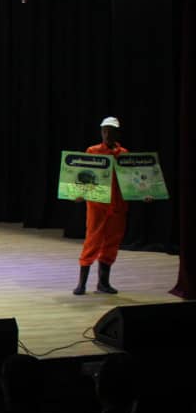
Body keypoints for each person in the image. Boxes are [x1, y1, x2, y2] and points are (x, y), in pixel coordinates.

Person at [74, 116, 128, 295]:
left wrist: (144, 194)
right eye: (104, 131)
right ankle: (81, 284)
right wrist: (78, 193)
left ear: (117, 133)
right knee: (92, 241)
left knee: (112, 242)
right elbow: (83, 174)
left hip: (118, 206)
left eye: (111, 131)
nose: (107, 135)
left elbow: (132, 180)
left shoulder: (124, 154)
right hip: (97, 205)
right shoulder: (93, 151)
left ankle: (103, 283)